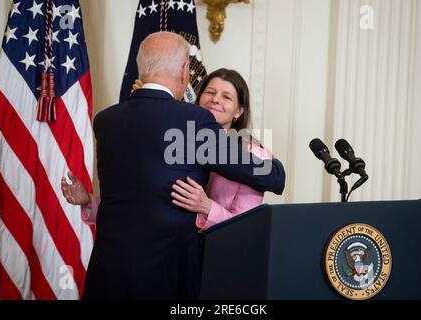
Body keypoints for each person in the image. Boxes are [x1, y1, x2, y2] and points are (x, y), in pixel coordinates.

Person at [67, 31, 285, 300]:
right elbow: (273, 177)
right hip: (166, 276)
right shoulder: (192, 121)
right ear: (185, 71)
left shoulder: (106, 120)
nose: (216, 100)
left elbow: (136, 196)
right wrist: (274, 165)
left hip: (109, 272)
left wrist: (89, 201)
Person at [63, 69, 272, 231]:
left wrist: (207, 207)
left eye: (227, 97)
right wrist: (89, 202)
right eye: (210, 92)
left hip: (218, 263)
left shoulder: (254, 156)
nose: (215, 99)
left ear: (239, 111)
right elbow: (145, 205)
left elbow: (248, 226)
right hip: (171, 260)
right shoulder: (177, 142)